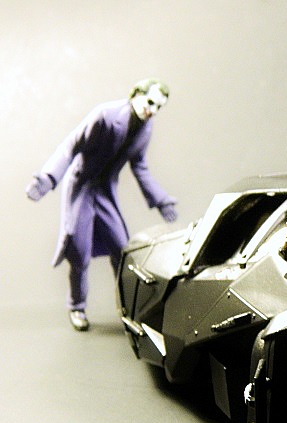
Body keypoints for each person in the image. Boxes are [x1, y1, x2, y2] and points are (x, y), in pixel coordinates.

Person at [25, 78, 178, 331]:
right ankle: (77, 306)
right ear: (136, 94)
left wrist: (160, 200)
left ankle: (129, 309)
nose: (152, 110)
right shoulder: (105, 115)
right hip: (82, 187)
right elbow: (71, 146)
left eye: (158, 107)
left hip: (106, 191)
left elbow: (140, 167)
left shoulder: (145, 128)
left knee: (122, 250)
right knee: (79, 251)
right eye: (150, 102)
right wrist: (47, 179)